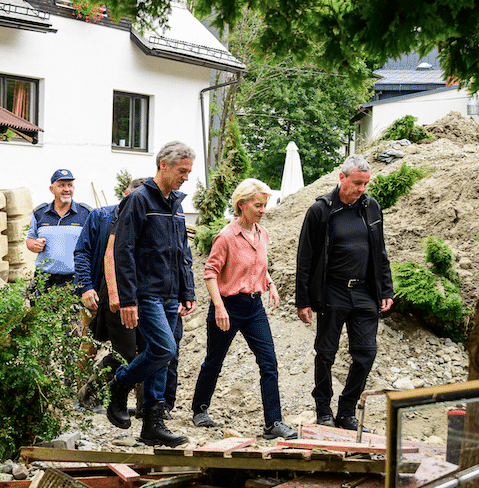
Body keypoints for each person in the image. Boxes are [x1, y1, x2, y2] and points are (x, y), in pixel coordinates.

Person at [105, 141, 197, 447]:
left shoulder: (177, 204)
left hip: (171, 294)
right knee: (163, 349)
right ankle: (121, 382)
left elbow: (182, 252)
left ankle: (152, 424)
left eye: (189, 172)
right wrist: (128, 299)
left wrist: (187, 289)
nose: (186, 177)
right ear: (164, 166)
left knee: (163, 358)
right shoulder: (140, 200)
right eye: (182, 171)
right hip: (147, 294)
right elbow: (123, 250)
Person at [191, 178, 298, 440]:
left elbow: (259, 267)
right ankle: (199, 409)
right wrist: (218, 307)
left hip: (254, 307)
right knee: (214, 361)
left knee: (269, 362)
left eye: (265, 205)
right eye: (258, 205)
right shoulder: (226, 236)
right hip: (228, 306)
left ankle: (273, 423)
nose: (263, 210)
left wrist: (270, 284)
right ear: (242, 205)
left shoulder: (263, 234)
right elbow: (210, 273)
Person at [295, 154, 394, 430]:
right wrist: (303, 300)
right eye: (357, 183)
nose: (361, 189)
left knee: (366, 353)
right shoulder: (321, 210)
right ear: (342, 178)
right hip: (332, 291)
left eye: (365, 184)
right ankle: (324, 410)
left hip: (364, 292)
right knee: (326, 353)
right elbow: (305, 256)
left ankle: (347, 411)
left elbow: (380, 253)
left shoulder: (371, 208)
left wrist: (386, 289)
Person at [75, 178, 145, 406]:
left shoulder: (143, 221)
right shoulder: (100, 216)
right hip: (96, 295)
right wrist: (86, 287)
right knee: (89, 346)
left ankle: (134, 402)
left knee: (134, 351)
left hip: (128, 299)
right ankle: (83, 398)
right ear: (126, 193)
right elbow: (82, 252)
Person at [27, 168, 94, 291]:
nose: (67, 189)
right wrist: (33, 244)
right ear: (52, 189)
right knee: (41, 310)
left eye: (70, 185)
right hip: (44, 279)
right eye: (61, 185)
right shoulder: (39, 213)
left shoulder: (86, 213)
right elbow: (30, 239)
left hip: (75, 280)